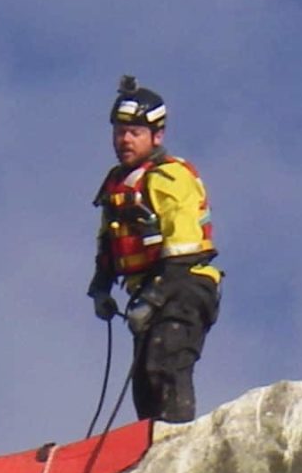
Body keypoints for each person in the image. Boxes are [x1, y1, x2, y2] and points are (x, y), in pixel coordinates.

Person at [88, 77, 219, 424]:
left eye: (135, 132)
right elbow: (108, 242)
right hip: (147, 291)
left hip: (185, 286)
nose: (125, 139)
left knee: (166, 359)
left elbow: (185, 250)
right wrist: (101, 288)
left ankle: (175, 441)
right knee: (144, 384)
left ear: (156, 136)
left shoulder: (170, 177)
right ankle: (149, 446)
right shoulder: (117, 185)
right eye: (120, 131)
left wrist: (154, 299)